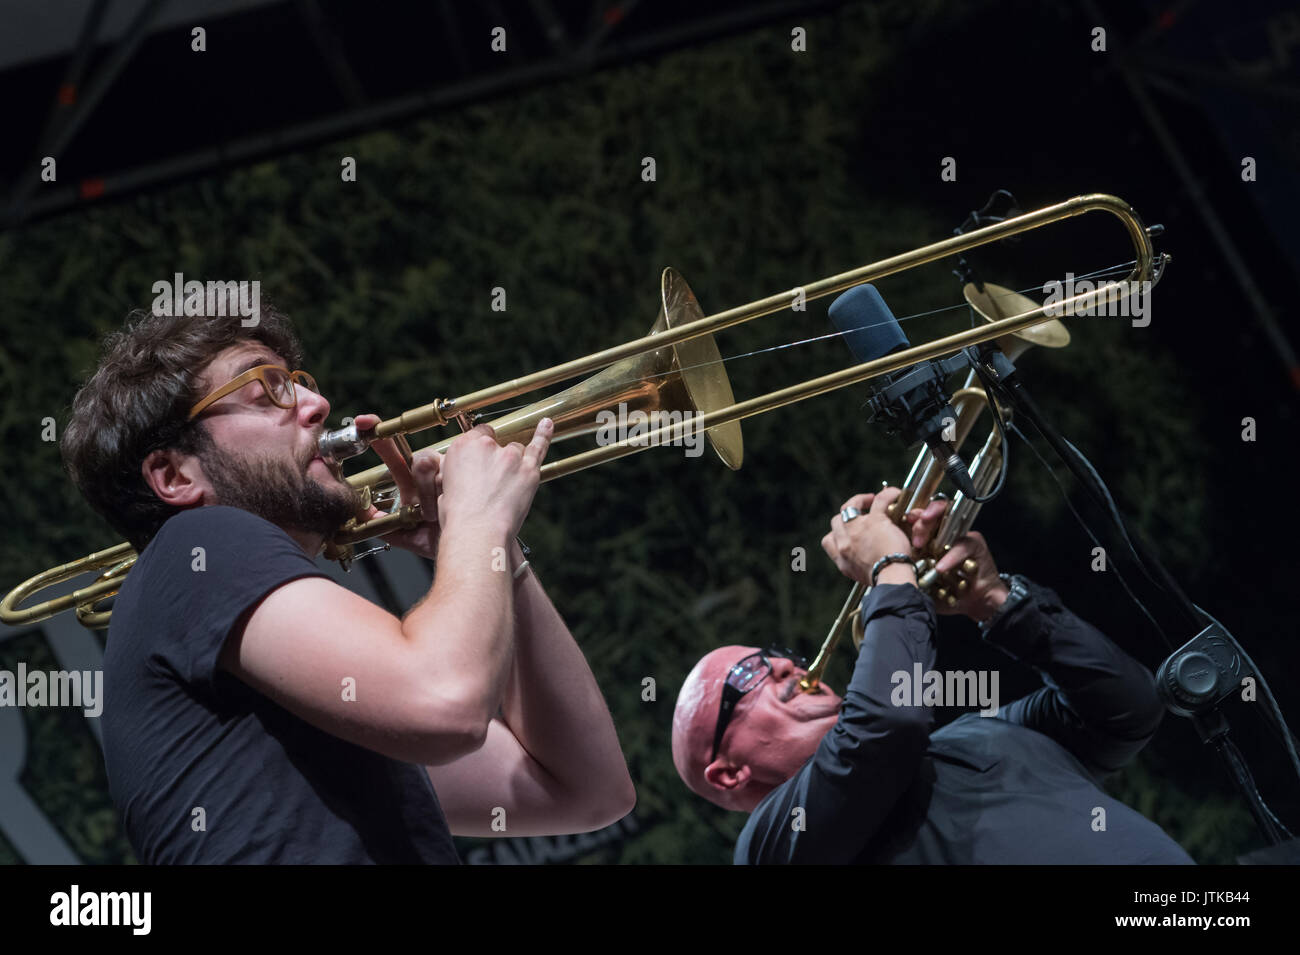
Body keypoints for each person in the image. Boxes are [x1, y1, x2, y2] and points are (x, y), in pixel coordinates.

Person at [61, 302, 635, 863]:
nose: (318, 404)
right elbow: (444, 702)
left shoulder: (305, 689)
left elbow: (586, 790)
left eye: (300, 383)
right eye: (266, 394)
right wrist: (478, 520)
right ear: (174, 474)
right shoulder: (200, 544)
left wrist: (495, 552)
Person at [672, 486, 1194, 864]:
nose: (786, 664)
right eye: (748, 674)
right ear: (728, 772)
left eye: (777, 652)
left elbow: (1128, 708)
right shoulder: (771, 845)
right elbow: (884, 728)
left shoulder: (977, 732)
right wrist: (892, 571)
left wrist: (994, 602)